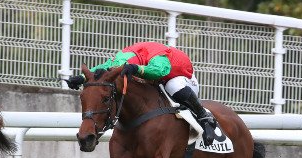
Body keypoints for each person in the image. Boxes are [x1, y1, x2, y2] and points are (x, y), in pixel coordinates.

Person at [68, 41, 219, 146]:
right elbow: (106, 69)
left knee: (173, 86)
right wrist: (81, 78)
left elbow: (161, 71)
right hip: (156, 79)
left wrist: (137, 69)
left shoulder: (156, 55)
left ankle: (205, 118)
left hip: (180, 77)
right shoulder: (123, 57)